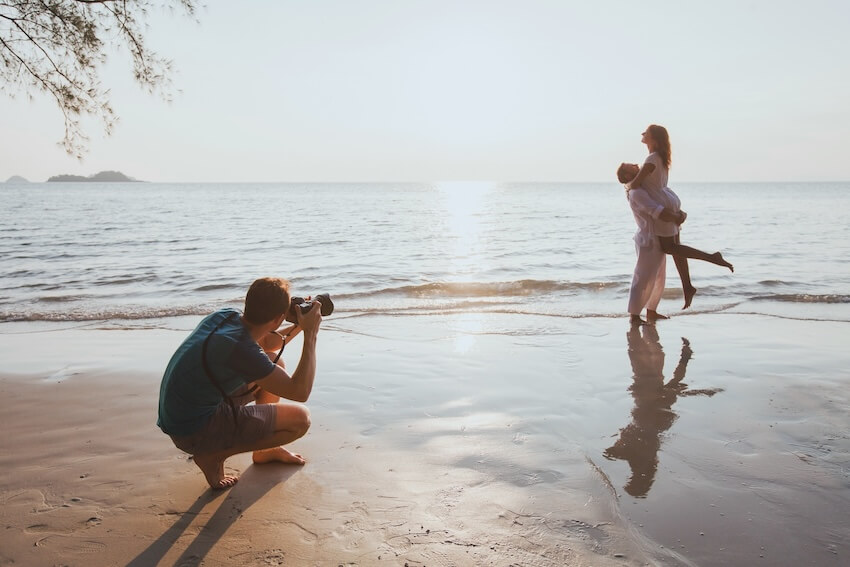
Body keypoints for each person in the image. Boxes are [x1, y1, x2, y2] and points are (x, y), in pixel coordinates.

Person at [157, 277, 322, 489]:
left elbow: (266, 341)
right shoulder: (240, 350)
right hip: (191, 430)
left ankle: (265, 451)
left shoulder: (226, 316)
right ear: (279, 318)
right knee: (301, 420)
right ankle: (213, 455)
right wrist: (311, 334)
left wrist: (299, 324)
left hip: (180, 414)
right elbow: (300, 391)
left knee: (274, 361)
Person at [621, 124, 734, 311]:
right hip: (669, 200)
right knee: (677, 250)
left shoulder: (651, 158)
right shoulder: (660, 157)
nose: (642, 134)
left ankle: (712, 258)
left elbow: (635, 184)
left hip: (663, 204)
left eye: (646, 132)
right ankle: (687, 286)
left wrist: (627, 188)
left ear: (654, 138)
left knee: (670, 248)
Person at [617, 162, 684, 325]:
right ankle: (634, 316)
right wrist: (677, 217)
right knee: (643, 278)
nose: (636, 164)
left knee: (659, 278)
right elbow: (657, 212)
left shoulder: (643, 189)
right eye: (630, 166)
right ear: (627, 175)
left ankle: (651, 311)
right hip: (648, 239)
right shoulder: (637, 193)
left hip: (657, 237)